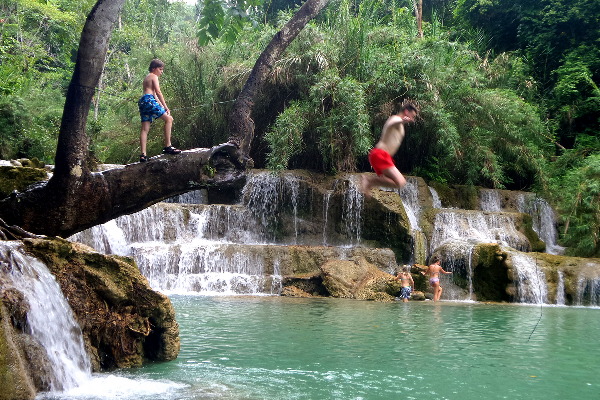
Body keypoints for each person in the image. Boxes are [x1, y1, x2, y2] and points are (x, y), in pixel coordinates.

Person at [361, 103, 418, 198]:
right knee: (400, 182)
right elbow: (391, 124)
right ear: (406, 112)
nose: (413, 119)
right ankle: (369, 181)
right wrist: (401, 121)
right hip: (380, 154)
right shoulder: (396, 119)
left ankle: (370, 182)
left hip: (382, 156)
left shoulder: (400, 124)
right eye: (413, 116)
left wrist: (402, 123)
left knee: (396, 182)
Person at [138, 59, 181, 162]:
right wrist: (166, 107)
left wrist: (162, 106)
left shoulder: (147, 78)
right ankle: (168, 146)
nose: (161, 72)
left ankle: (143, 155)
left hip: (143, 101)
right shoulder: (154, 76)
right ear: (154, 68)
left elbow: (153, 95)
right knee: (169, 119)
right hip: (149, 100)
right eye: (160, 69)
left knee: (145, 128)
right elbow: (158, 92)